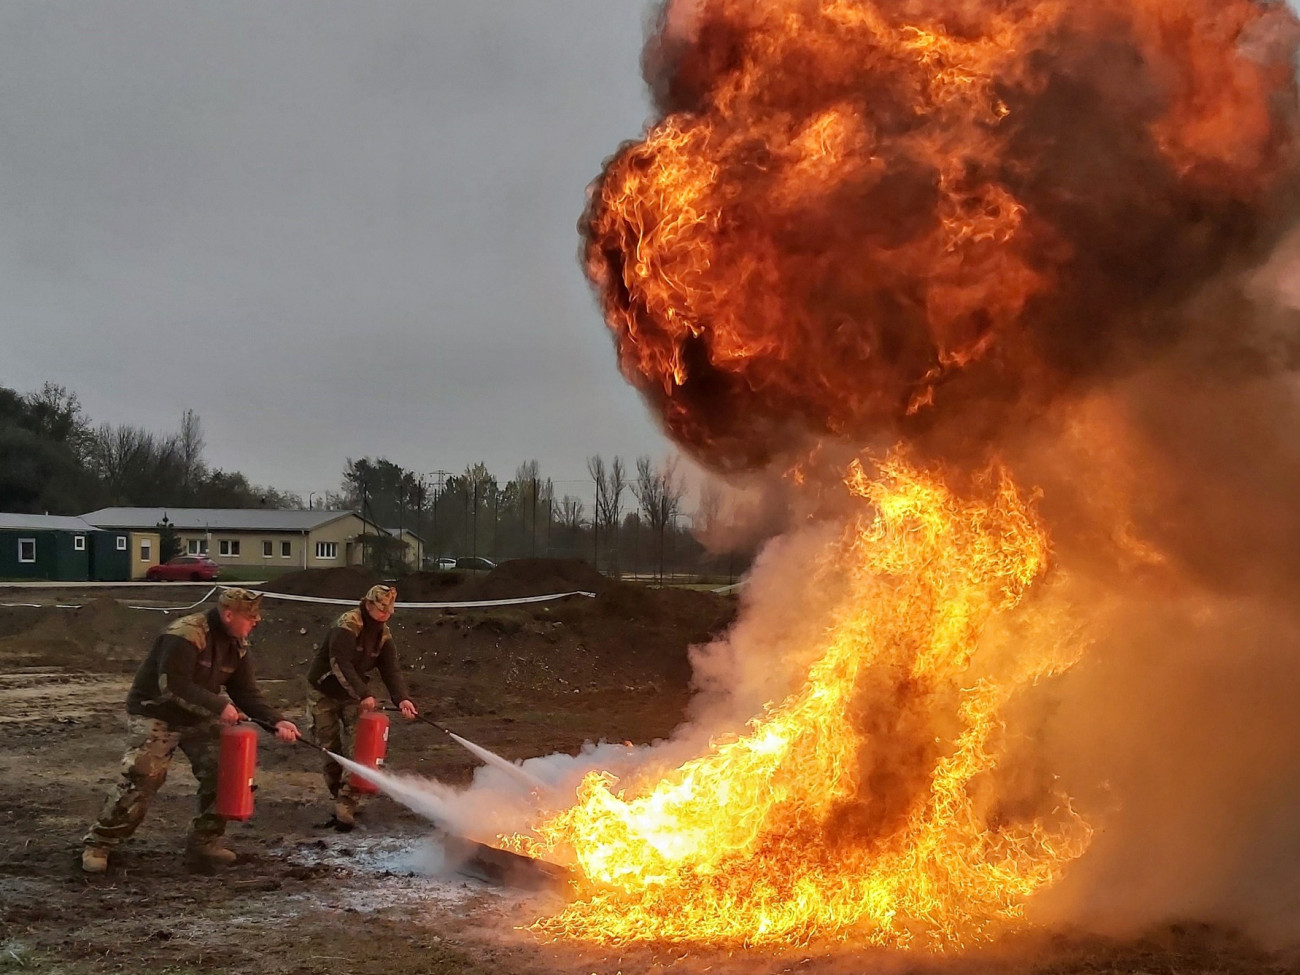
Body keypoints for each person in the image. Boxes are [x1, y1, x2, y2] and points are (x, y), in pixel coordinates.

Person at [81, 588, 299, 873]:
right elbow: (172, 685)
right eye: (250, 616)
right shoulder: (186, 634)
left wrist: (276, 721)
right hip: (156, 711)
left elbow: (245, 691)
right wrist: (220, 706)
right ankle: (100, 843)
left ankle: (204, 843)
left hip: (198, 715)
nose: (255, 621)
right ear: (228, 614)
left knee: (225, 772)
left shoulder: (237, 643)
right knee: (144, 775)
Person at [306, 584, 417, 829]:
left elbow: (390, 669)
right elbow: (340, 664)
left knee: (361, 748)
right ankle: (338, 796)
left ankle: (348, 802)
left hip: (354, 696)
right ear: (368, 605)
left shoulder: (383, 635)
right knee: (329, 747)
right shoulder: (347, 625)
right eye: (381, 610)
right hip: (324, 691)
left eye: (389, 611)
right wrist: (364, 693)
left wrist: (402, 699)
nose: (385, 615)